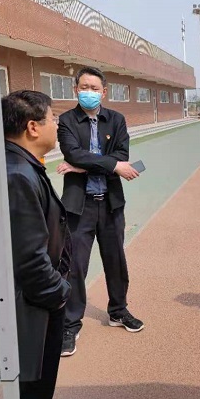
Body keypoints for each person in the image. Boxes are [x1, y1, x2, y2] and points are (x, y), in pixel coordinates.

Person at [0, 90, 72, 399]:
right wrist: (60, 293)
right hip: (33, 308)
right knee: (31, 395)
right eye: (52, 118)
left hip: (33, 303)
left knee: (26, 394)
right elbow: (28, 259)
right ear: (33, 127)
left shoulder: (16, 165)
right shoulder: (16, 175)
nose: (57, 125)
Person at [56, 66, 143, 357]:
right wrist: (111, 165)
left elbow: (122, 155)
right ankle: (70, 324)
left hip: (110, 204)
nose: (89, 92)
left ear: (104, 92)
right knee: (74, 266)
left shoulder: (116, 120)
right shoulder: (67, 121)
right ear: (75, 89)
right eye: (84, 87)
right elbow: (73, 153)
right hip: (78, 207)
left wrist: (83, 167)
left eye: (94, 88)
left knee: (115, 261)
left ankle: (118, 311)